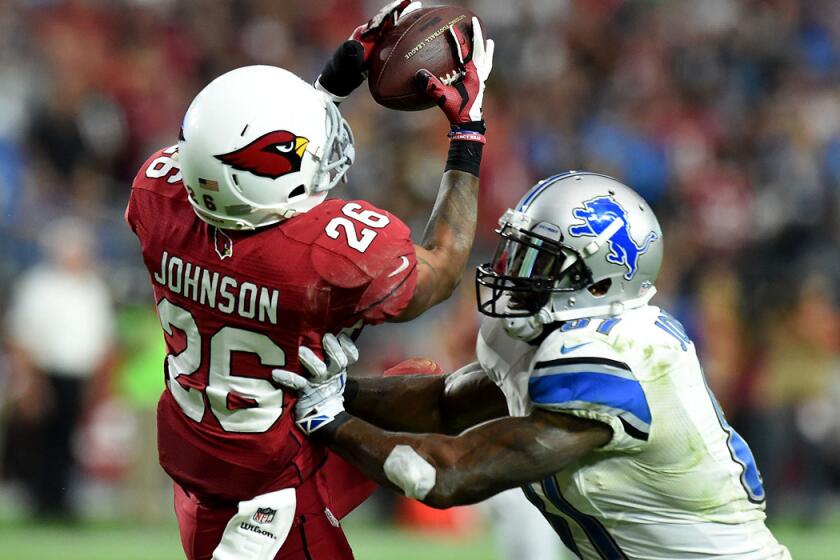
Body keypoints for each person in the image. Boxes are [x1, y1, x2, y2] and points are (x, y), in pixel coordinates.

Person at [124, 1, 493, 558]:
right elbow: (439, 270)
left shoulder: (160, 197)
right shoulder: (320, 254)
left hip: (207, 450)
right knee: (426, 394)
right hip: (269, 489)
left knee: (420, 385)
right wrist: (468, 132)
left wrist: (324, 92)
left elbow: (236, 171)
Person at [280, 172, 791, 559]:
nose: (511, 272)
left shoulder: (610, 361)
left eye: (539, 262)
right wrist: (329, 388)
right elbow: (443, 405)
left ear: (597, 282)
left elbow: (442, 477)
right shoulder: (566, 333)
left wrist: (331, 421)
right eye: (515, 251)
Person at [4, 217, 115, 519]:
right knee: (44, 440)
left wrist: (100, 383)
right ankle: (42, 502)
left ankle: (63, 502)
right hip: (47, 372)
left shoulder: (93, 287)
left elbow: (104, 340)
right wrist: (29, 383)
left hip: (80, 375)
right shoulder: (39, 285)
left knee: (69, 440)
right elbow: (21, 337)